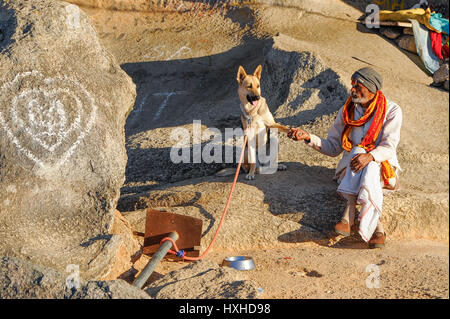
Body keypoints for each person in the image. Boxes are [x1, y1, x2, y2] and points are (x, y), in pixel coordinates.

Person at [288, 67, 402, 248]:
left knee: (367, 161)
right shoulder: (347, 110)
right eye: (352, 84)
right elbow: (333, 147)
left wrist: (370, 156)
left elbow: (389, 146)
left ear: (372, 88)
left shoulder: (392, 110)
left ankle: (348, 214)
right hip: (353, 168)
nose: (353, 89)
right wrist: (308, 137)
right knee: (358, 154)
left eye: (358, 85)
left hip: (383, 170)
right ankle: (377, 229)